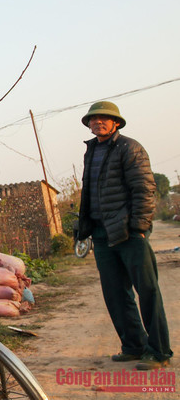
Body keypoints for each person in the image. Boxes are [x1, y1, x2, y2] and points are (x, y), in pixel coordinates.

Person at [77, 101, 172, 370]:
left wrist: (140, 228)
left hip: (129, 232)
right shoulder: (91, 151)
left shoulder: (130, 148)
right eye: (93, 119)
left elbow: (144, 189)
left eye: (104, 119)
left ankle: (159, 352)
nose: (98, 122)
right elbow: (90, 193)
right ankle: (134, 346)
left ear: (116, 123)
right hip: (101, 233)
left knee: (148, 291)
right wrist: (84, 229)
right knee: (115, 294)